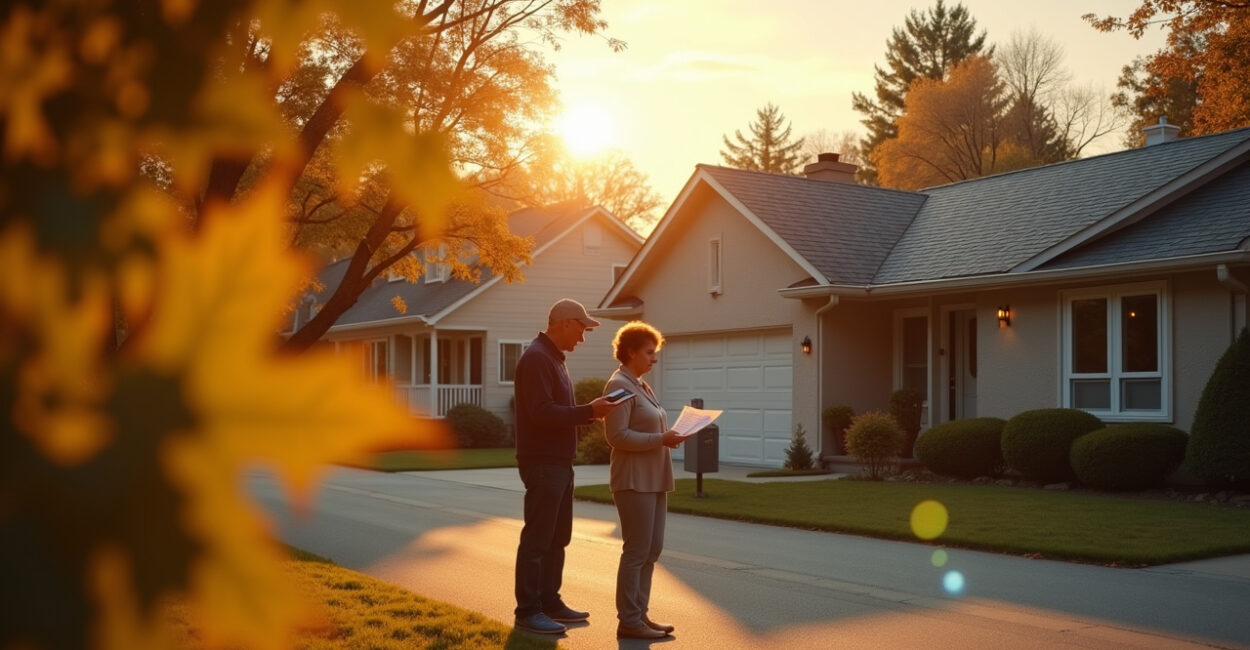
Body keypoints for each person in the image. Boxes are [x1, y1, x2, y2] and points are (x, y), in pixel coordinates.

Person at [513, 298, 619, 635]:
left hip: (559, 462)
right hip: (542, 463)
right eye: (582, 329)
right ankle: (528, 611)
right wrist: (590, 411)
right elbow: (542, 412)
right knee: (538, 539)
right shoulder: (536, 359)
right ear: (565, 323)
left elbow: (554, 412)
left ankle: (550, 601)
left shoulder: (553, 359)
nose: (582, 338)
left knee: (558, 537)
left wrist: (588, 411)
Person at [602, 321, 684, 639]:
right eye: (650, 352)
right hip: (633, 480)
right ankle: (629, 620)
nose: (654, 358)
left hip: (655, 477)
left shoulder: (641, 384)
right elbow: (616, 436)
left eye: (656, 353)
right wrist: (660, 439)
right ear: (631, 351)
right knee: (636, 551)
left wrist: (667, 437)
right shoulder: (619, 386)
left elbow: (650, 429)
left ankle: (640, 615)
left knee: (652, 550)